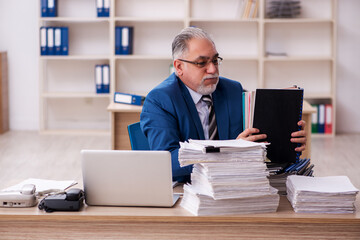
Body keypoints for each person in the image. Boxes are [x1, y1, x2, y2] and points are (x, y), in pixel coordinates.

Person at [140, 27, 306, 182]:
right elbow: (167, 163)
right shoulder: (160, 100)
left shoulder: (232, 89)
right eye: (201, 63)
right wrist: (230, 153)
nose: (212, 69)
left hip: (234, 185)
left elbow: (255, 139)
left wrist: (287, 138)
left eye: (215, 60)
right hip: (188, 190)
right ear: (179, 66)